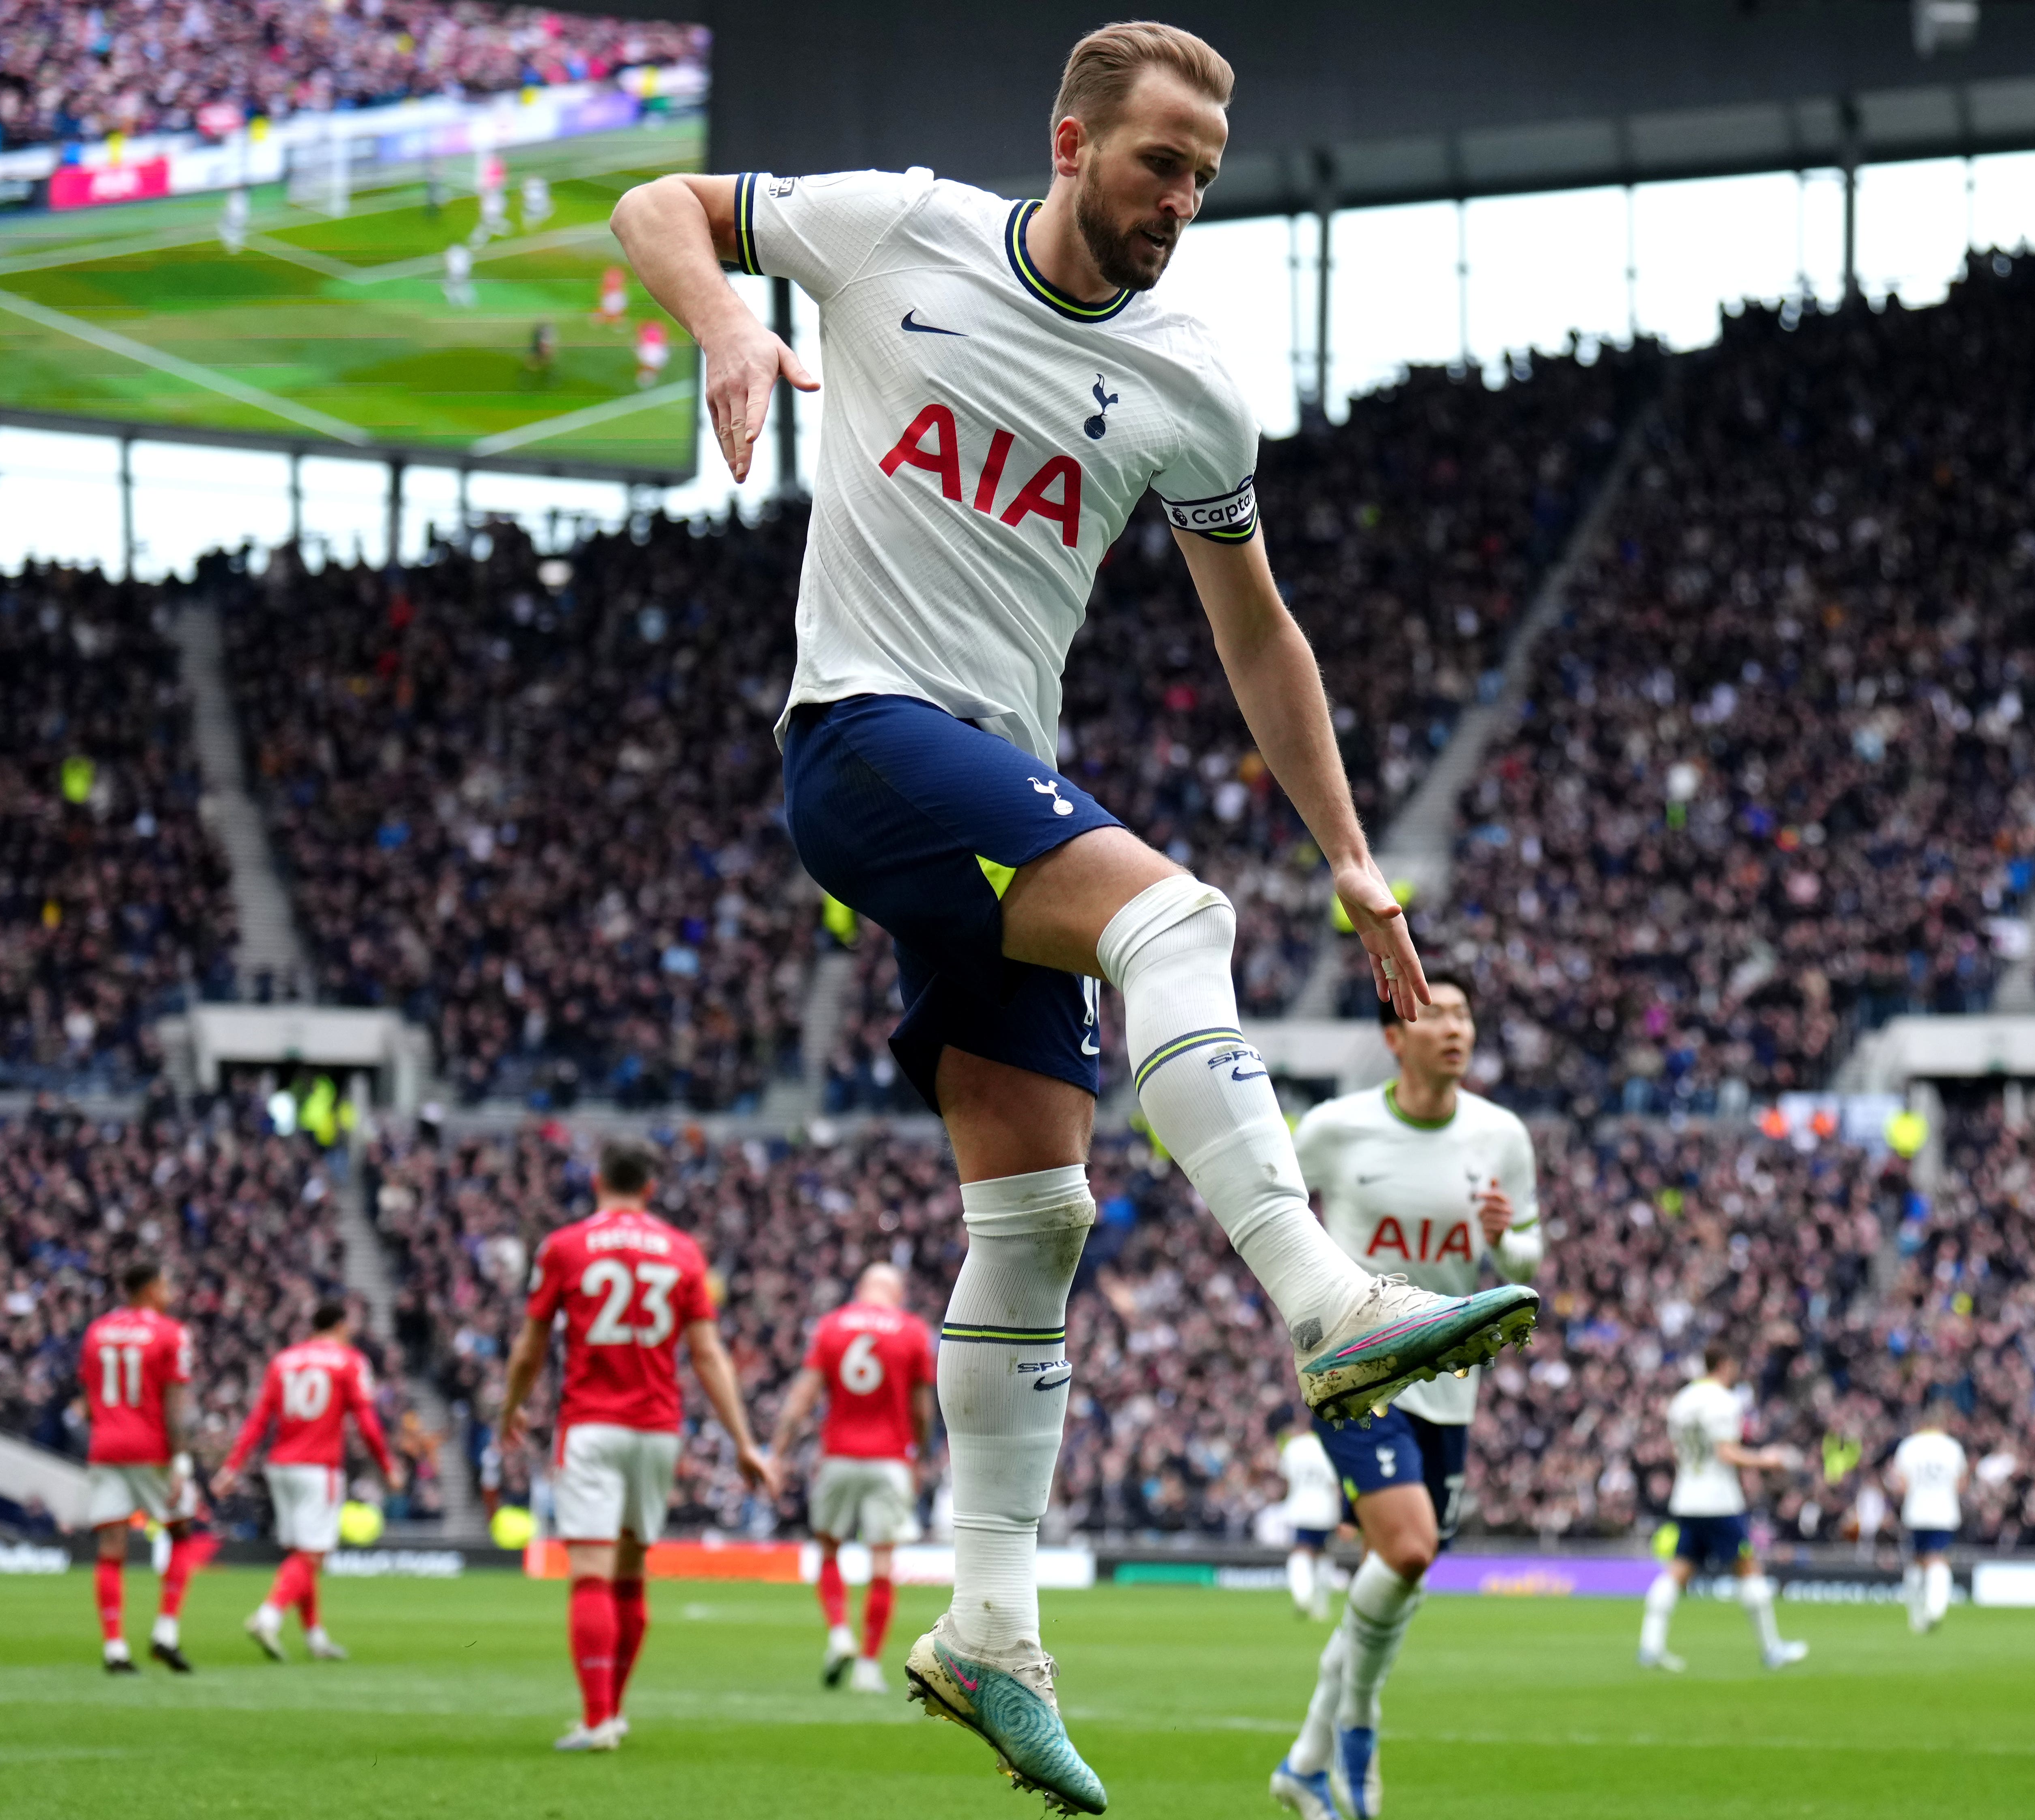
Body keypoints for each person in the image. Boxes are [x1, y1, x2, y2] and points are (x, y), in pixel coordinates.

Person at [608, 22, 1539, 1807]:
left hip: (989, 791)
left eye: (1200, 176)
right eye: (1153, 163)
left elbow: (1254, 631)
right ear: (1068, 140)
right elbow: (661, 203)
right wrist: (730, 317)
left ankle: (985, 1629)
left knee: (1037, 1207)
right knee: (1171, 913)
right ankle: (1326, 1297)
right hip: (865, 738)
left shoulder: (1191, 384)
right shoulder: (899, 232)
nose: (1178, 200)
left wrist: (1351, 861)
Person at [1270, 978, 1539, 1820]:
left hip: (1451, 1384)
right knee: (1410, 1548)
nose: (1455, 1028)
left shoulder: (1501, 1134)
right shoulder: (1336, 1127)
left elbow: (1527, 1261)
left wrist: (1506, 1239)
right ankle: (1357, 1723)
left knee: (1396, 1577)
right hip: (1357, 1369)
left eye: (1463, 1015)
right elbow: (1271, 1207)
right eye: (1437, 1013)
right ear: (1394, 1035)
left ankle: (1303, 1763)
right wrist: (1309, 1306)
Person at [497, 1137, 777, 1755]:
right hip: (656, 1430)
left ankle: (597, 1719)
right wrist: (744, 1441)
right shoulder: (682, 1252)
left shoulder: (564, 1246)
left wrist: (511, 1406)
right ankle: (613, 1713)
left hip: (592, 1426)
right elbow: (706, 1354)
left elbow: (530, 1347)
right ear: (651, 1188)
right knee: (629, 1579)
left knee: (591, 1576)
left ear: (598, 1181)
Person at [768, 1262, 938, 1692]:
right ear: (896, 1292)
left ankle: (840, 1631)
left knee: (829, 1548)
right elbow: (921, 1409)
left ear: (861, 1289)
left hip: (838, 1454)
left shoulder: (831, 1327)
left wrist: (778, 1452)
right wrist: (916, 1455)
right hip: (891, 1459)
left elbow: (803, 1396)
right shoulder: (912, 1330)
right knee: (882, 1561)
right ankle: (868, 1664)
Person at [214, 1301, 404, 1662]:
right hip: (319, 1467)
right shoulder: (349, 1361)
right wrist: (387, 1465)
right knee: (313, 1555)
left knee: (302, 1557)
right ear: (341, 1325)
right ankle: (268, 1616)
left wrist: (233, 1465)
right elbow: (367, 1421)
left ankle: (316, 1638)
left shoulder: (284, 1360)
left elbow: (259, 1418)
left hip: (280, 1466)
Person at [1637, 1340, 1808, 1675]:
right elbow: (1726, 1452)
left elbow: (1677, 1451)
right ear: (1727, 1364)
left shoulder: (1682, 1400)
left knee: (1679, 1570)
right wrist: (1768, 1459)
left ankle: (1650, 1647)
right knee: (1748, 1567)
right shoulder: (1724, 1401)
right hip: (1717, 1500)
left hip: (1687, 1495)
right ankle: (1772, 1649)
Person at [78, 1261, 210, 1675]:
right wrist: (181, 1457)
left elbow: (88, 1394)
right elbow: (175, 1401)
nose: (171, 1290)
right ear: (151, 1288)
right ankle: (166, 1632)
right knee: (181, 1530)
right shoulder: (171, 1332)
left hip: (105, 1446)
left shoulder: (97, 1330)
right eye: (167, 1283)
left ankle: (115, 1647)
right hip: (151, 1448)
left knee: (111, 1548)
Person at [1889, 1405, 1968, 1634]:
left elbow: (1900, 1484)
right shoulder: (1953, 1448)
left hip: (1916, 1510)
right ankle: (1936, 1608)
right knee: (1938, 1559)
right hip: (1944, 1511)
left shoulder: (1909, 1446)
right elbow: (1961, 1483)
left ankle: (1916, 1615)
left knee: (1916, 1561)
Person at [1276, 1425, 1342, 1622]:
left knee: (1301, 1550)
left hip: (1300, 1507)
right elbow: (1336, 1482)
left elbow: (1285, 1479)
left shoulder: (1293, 1446)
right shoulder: (1330, 1445)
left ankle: (1302, 1595)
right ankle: (1320, 1606)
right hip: (1326, 1509)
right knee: (1323, 1552)